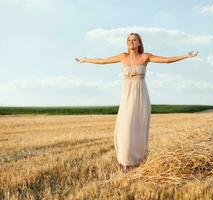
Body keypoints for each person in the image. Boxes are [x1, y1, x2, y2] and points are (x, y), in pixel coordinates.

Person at [75, 33, 198, 173]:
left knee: (138, 128)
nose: (131, 42)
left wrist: (186, 56)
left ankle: (139, 161)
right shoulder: (123, 56)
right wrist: (86, 60)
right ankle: (125, 161)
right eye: (129, 40)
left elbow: (167, 60)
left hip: (141, 96)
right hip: (127, 96)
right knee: (125, 127)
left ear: (139, 43)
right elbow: (103, 61)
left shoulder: (145, 56)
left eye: (134, 40)